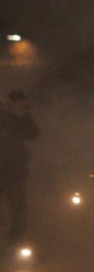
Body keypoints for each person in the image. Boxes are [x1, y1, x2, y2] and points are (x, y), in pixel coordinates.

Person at [0, 91, 40, 253]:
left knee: (20, 211)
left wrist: (24, 114)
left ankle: (12, 246)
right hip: (3, 170)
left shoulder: (20, 118)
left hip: (15, 172)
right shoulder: (4, 115)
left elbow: (33, 133)